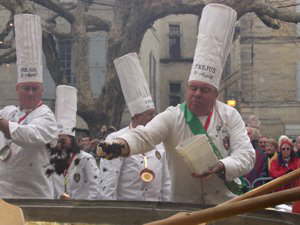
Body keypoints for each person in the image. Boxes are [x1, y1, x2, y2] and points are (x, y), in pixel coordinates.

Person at [98, 4, 255, 205]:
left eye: (204, 90)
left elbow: (246, 155)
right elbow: (145, 136)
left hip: (224, 205)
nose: (197, 94)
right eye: (193, 88)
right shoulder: (173, 116)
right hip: (183, 206)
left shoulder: (229, 115)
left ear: (215, 93)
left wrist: (223, 165)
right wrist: (122, 145)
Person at [99, 53, 171, 201]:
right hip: (126, 214)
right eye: (149, 115)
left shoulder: (160, 142)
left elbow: (166, 184)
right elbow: (108, 184)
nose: (154, 118)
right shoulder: (115, 140)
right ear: (136, 116)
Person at [0, 14, 58, 199]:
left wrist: (2, 124)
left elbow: (29, 136)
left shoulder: (46, 117)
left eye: (35, 89)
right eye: (26, 88)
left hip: (35, 197)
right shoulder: (8, 112)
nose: (30, 93)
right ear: (18, 89)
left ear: (42, 91)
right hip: (4, 196)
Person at [49, 85, 99, 200]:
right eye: (58, 140)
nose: (60, 144)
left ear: (71, 140)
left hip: (81, 209)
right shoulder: (52, 160)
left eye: (63, 140)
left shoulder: (86, 159)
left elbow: (95, 186)